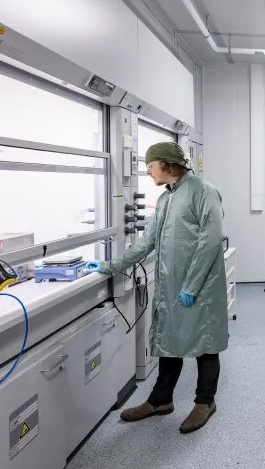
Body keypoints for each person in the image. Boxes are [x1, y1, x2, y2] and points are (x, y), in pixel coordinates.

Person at [85, 142, 228, 434]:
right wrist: (110, 265)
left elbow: (210, 241)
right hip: (170, 286)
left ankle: (205, 402)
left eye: (151, 166)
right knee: (168, 341)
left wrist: (191, 285)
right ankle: (161, 400)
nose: (148, 171)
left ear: (166, 164)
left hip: (200, 286)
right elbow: (147, 241)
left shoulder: (203, 191)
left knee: (205, 342)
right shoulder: (165, 199)